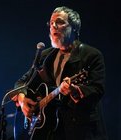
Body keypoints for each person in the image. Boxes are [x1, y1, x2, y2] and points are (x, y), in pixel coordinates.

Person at [11, 6, 108, 140]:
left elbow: (97, 90)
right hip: (51, 130)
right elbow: (23, 82)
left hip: (81, 130)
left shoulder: (91, 55)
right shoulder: (45, 55)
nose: (53, 26)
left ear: (74, 27)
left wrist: (73, 89)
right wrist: (22, 100)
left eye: (60, 22)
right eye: (51, 23)